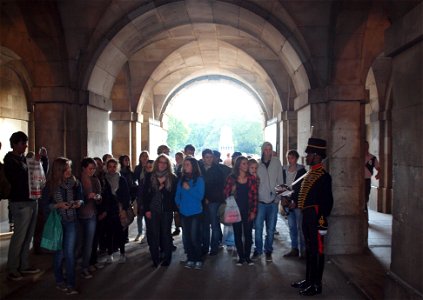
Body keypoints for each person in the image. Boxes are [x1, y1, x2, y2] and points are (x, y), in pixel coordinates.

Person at [291, 138, 333, 296]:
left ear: (316, 156)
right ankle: (308, 280)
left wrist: (322, 224)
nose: (306, 156)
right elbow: (304, 195)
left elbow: (327, 203)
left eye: (308, 154)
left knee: (317, 251)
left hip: (316, 217)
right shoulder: (309, 174)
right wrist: (294, 201)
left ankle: (316, 284)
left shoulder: (323, 176)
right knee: (309, 249)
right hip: (306, 215)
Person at [41, 157, 83, 295]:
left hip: (71, 220)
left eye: (70, 167)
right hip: (58, 222)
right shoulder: (50, 185)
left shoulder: (75, 182)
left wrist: (78, 203)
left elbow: (81, 198)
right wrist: (58, 205)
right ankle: (59, 280)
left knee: (70, 253)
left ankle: (71, 284)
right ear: (60, 170)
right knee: (60, 253)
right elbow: (44, 206)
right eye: (67, 168)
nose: (70, 170)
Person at [3, 131, 40, 281]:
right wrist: (29, 167)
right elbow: (18, 179)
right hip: (20, 202)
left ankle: (24, 265)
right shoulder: (10, 161)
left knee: (28, 236)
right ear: (15, 144)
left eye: (25, 143)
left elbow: (37, 175)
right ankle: (12, 268)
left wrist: (39, 161)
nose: (25, 146)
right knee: (19, 236)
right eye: (23, 143)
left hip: (31, 200)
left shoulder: (24, 159)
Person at [142, 154, 177, 267]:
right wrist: (146, 209)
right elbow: (145, 195)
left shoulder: (172, 177)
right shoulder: (149, 176)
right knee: (153, 235)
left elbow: (173, 196)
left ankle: (167, 259)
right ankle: (155, 259)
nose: (162, 165)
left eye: (164, 163)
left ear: (168, 165)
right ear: (157, 163)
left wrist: (163, 190)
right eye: (160, 162)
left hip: (166, 210)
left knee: (166, 235)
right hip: (152, 210)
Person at [223, 156, 258, 266]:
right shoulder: (231, 178)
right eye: (244, 163)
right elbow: (225, 194)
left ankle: (247, 257)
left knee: (248, 235)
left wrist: (254, 211)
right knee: (237, 234)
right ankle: (241, 257)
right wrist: (231, 190)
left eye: (247, 163)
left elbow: (255, 197)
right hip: (235, 210)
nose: (247, 165)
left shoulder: (252, 178)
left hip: (248, 210)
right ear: (238, 165)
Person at [252, 142, 283, 262]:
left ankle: (268, 250)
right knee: (258, 228)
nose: (268, 152)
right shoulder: (258, 164)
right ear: (262, 150)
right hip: (260, 202)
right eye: (266, 149)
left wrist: (277, 199)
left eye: (270, 149)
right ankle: (258, 249)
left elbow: (280, 180)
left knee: (271, 229)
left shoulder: (277, 162)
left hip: (273, 202)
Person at [175, 157, 205, 269]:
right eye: (184, 164)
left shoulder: (199, 180)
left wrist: (189, 189)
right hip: (184, 212)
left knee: (194, 237)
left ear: (193, 166)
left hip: (195, 213)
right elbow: (177, 194)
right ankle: (191, 258)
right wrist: (178, 203)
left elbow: (200, 196)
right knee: (186, 238)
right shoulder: (182, 179)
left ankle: (198, 259)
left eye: (187, 164)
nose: (185, 166)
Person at [102, 158, 131, 264]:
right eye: (110, 166)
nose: (112, 169)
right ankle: (110, 255)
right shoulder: (104, 179)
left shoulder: (121, 179)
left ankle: (122, 253)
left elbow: (126, 196)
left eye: (114, 166)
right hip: (108, 211)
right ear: (106, 167)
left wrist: (123, 209)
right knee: (109, 233)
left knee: (120, 233)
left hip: (119, 210)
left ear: (117, 167)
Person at [79, 157, 102, 278]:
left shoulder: (95, 180)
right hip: (77, 215)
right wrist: (87, 197)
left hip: (91, 214)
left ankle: (85, 267)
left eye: (94, 169)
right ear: (83, 168)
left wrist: (97, 198)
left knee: (89, 242)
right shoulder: (77, 181)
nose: (92, 171)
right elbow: (76, 197)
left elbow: (100, 198)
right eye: (90, 168)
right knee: (78, 243)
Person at [281, 150, 307, 258]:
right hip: (287, 202)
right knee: (292, 227)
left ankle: (304, 250)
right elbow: (281, 184)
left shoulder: (302, 171)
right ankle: (294, 249)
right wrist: (284, 198)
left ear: (296, 158)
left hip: (298, 203)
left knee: (301, 227)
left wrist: (295, 201)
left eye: (291, 157)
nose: (289, 159)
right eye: (288, 157)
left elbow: (303, 188)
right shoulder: (284, 170)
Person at [200, 149, 225, 256]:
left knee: (214, 225)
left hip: (214, 201)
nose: (209, 159)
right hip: (202, 201)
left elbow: (220, 188)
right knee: (204, 225)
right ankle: (205, 247)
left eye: (211, 157)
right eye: (207, 157)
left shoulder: (218, 170)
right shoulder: (200, 169)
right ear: (203, 158)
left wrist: (209, 198)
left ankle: (214, 247)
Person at [133, 151, 150, 242]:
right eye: (143, 156)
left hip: (147, 193)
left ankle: (147, 234)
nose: (144, 158)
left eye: (146, 156)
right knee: (140, 214)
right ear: (140, 158)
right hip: (140, 193)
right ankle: (139, 232)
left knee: (147, 213)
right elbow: (134, 179)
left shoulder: (150, 166)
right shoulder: (137, 168)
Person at [364, 141, 380, 212]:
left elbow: (378, 168)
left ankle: (364, 209)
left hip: (367, 180)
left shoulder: (372, 158)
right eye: (364, 146)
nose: (365, 147)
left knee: (366, 196)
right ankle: (363, 209)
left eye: (366, 145)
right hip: (358, 181)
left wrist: (379, 174)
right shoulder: (357, 157)